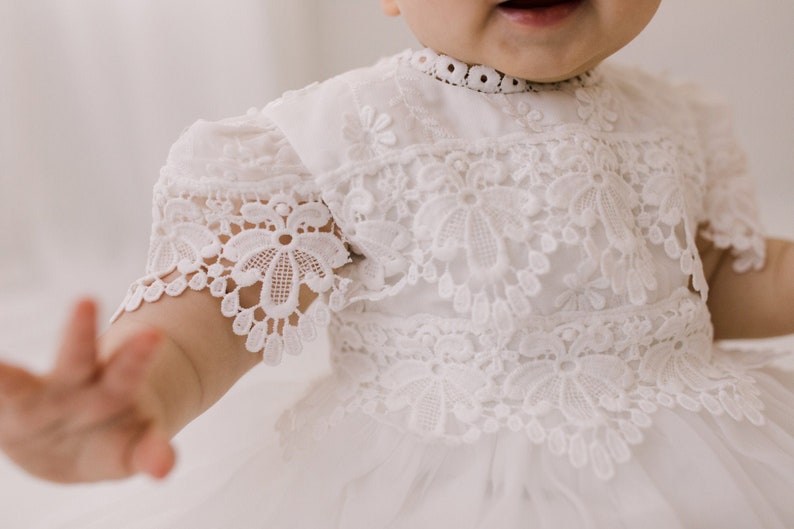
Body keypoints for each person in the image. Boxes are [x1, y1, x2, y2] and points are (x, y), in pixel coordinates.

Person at [1, 0, 793, 527]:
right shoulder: (346, 134)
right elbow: (215, 312)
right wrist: (139, 389)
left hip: (684, 461)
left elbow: (705, 279)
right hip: (441, 481)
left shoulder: (676, 116)